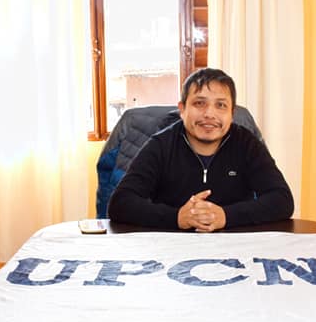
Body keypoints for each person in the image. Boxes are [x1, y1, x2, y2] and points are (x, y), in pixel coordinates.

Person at [108, 68, 294, 231]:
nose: (209, 114)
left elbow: (282, 200)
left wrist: (225, 216)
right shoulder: (161, 145)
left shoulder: (246, 143)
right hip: (172, 245)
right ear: (182, 109)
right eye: (199, 103)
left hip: (235, 245)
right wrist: (176, 218)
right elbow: (120, 203)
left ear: (232, 114)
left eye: (220, 105)